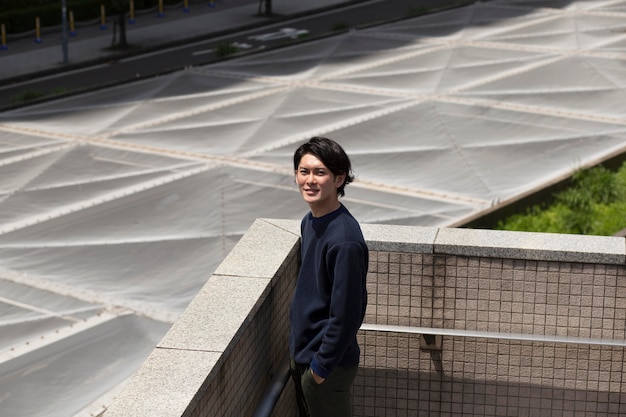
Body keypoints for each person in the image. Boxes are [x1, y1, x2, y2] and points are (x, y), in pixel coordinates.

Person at [289, 136, 369, 417]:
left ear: (339, 179)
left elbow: (348, 313)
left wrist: (320, 369)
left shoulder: (344, 239)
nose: (309, 180)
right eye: (304, 171)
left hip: (326, 366)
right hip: (306, 355)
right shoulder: (310, 221)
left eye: (320, 172)